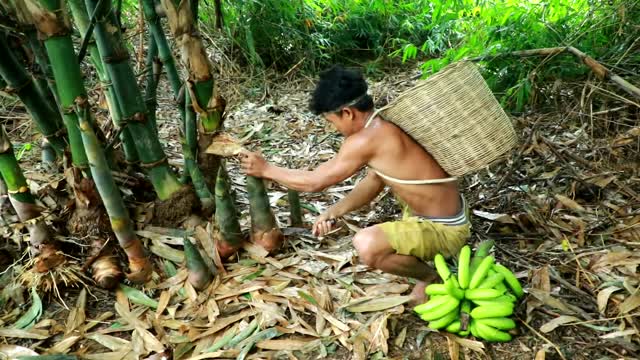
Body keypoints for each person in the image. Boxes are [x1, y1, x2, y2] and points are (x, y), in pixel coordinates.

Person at [239, 65, 470, 305]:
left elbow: (315, 182)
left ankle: (432, 277)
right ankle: (434, 265)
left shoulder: (367, 139)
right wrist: (333, 211)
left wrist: (267, 170)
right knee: (374, 234)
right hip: (439, 218)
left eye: (331, 121)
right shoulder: (381, 125)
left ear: (348, 113)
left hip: (444, 231)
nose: (334, 129)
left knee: (367, 245)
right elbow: (374, 180)